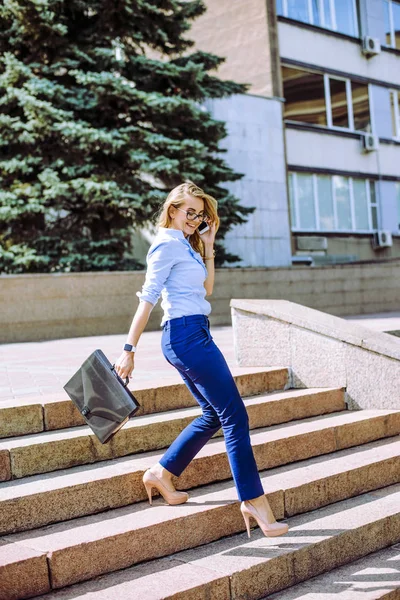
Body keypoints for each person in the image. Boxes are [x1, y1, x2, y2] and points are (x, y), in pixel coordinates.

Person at [114, 181, 288, 538]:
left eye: (199, 214)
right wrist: (128, 351)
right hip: (185, 336)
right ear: (172, 209)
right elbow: (147, 299)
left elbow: (207, 290)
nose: (195, 219)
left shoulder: (186, 245)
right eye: (189, 212)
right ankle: (254, 501)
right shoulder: (165, 244)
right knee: (234, 414)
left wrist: (207, 246)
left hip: (196, 333)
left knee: (214, 413)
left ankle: (161, 473)